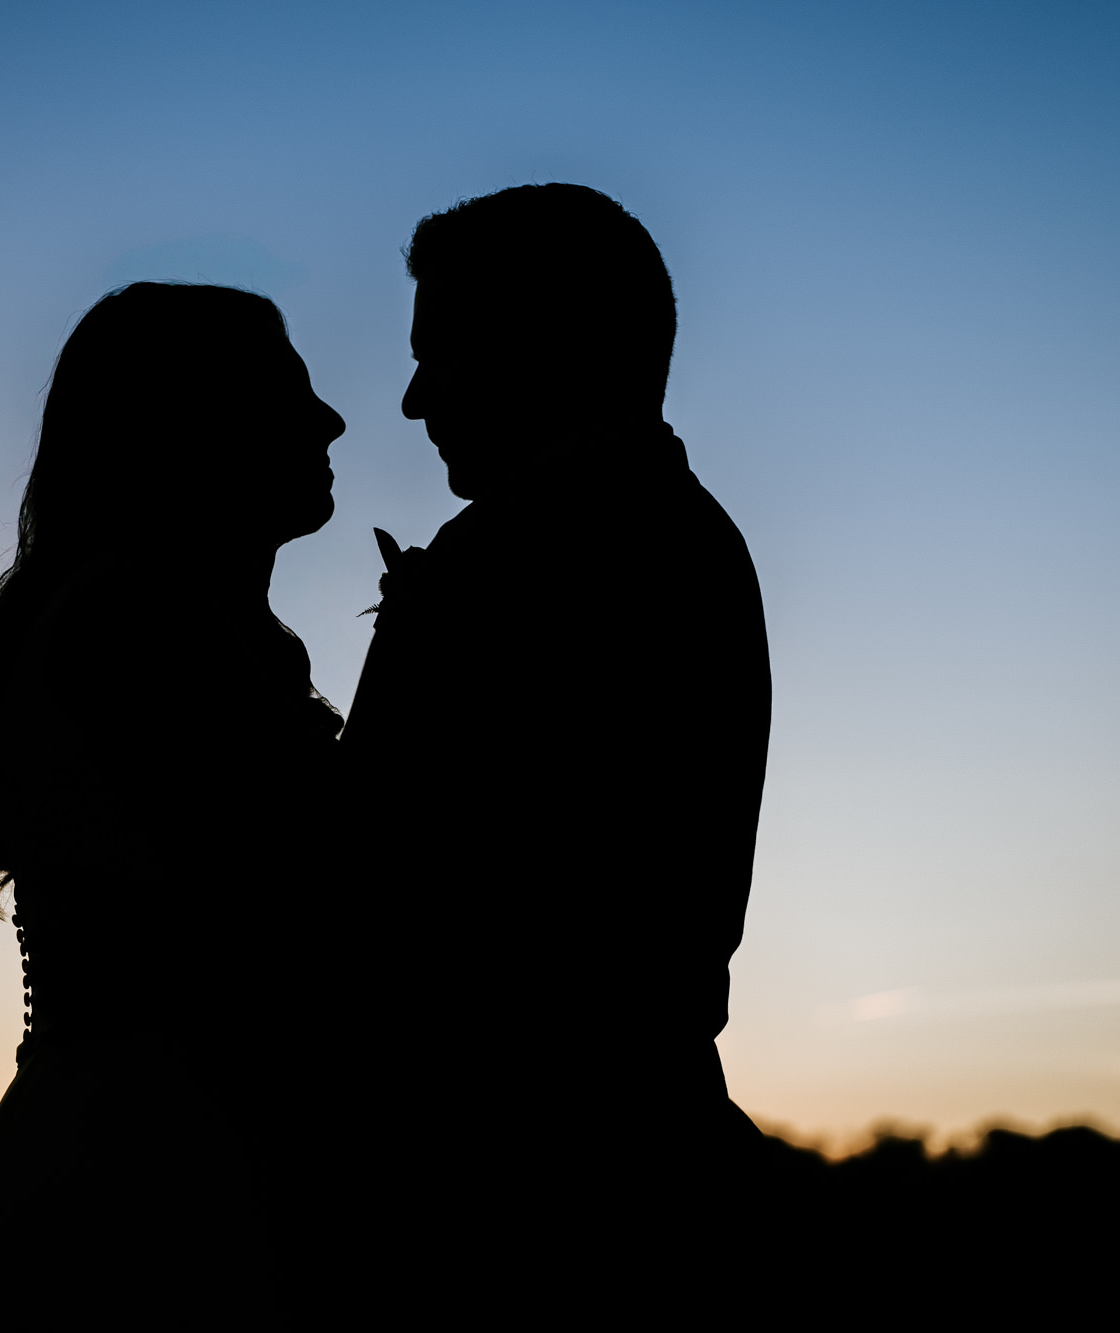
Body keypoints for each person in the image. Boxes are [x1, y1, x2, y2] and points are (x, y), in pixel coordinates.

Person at [340, 184, 772, 1322]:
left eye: (442, 353)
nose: (412, 396)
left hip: (520, 1214)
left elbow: (392, 902)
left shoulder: (540, 557)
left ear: (545, 345)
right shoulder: (677, 532)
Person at [0, 282, 348, 1329]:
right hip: (150, 1188)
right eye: (290, 391)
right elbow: (308, 900)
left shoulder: (169, 622)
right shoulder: (129, 623)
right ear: (190, 426)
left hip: (159, 1147)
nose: (331, 419)